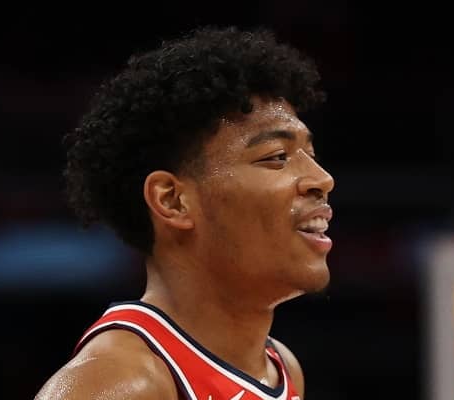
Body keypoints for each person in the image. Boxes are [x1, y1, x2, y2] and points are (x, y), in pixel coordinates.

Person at [35, 25, 334, 400]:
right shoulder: (118, 384)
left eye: (311, 155)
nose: (322, 179)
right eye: (276, 157)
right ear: (172, 200)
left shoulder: (281, 368)